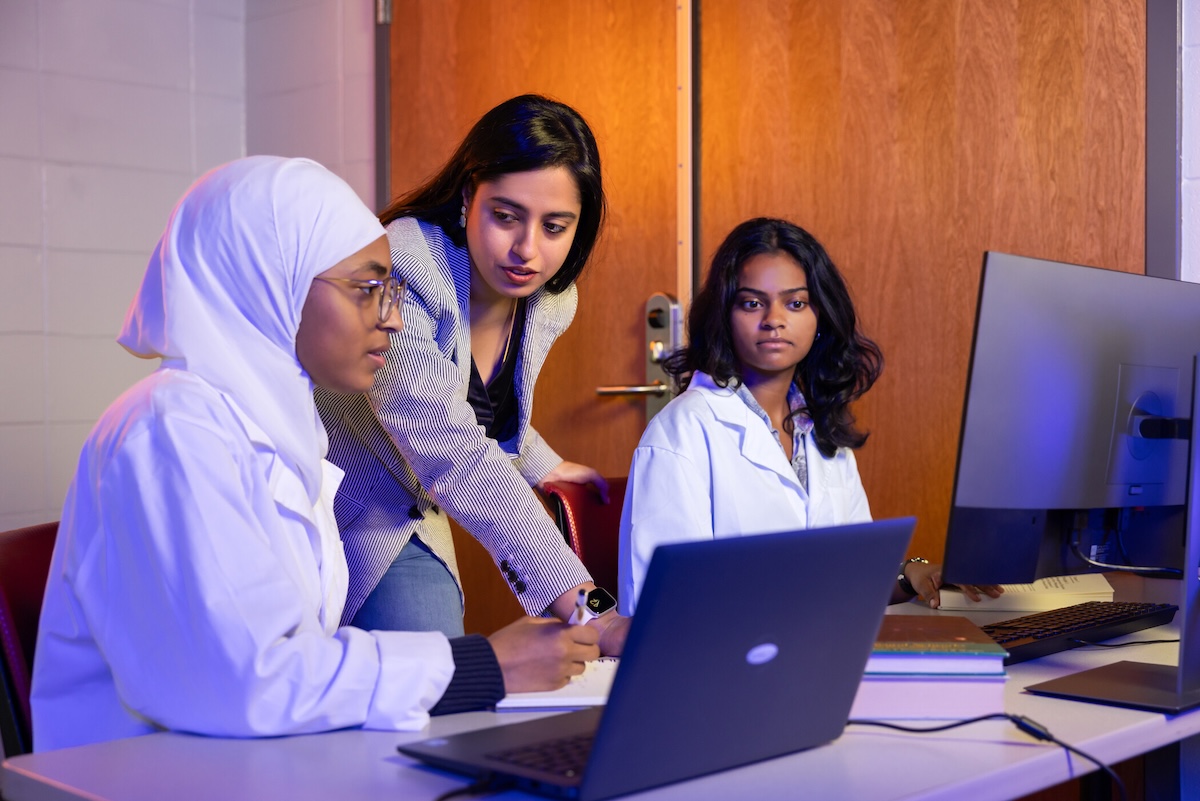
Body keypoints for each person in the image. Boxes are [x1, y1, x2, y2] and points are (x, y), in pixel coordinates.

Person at [31, 156, 599, 752]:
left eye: (392, 290)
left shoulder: (281, 430)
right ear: (272, 282)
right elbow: (253, 681)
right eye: (366, 290)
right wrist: (482, 666)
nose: (393, 319)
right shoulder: (170, 431)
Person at [317, 95, 627, 654]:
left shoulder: (552, 302)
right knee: (436, 687)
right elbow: (450, 447)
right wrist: (590, 607)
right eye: (505, 217)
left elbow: (475, 403)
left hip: (418, 502)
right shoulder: (405, 270)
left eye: (555, 226)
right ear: (468, 197)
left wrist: (544, 464)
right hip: (353, 503)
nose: (527, 250)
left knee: (435, 685)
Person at [617, 217, 1001, 613]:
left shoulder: (818, 429)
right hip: (728, 665)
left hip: (817, 651)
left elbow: (852, 570)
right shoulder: (681, 432)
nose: (774, 319)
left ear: (820, 318)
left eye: (795, 303)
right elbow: (666, 606)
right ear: (723, 316)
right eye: (752, 303)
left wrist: (914, 575)